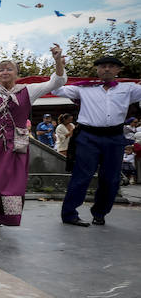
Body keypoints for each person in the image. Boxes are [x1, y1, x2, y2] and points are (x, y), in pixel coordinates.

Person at [0, 47, 67, 231]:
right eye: (1, 69)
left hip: (15, 144)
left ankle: (6, 215)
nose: (4, 72)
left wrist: (58, 61)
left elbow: (57, 81)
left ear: (17, 73)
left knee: (12, 181)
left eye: (9, 68)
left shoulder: (28, 91)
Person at [52, 56, 141, 226]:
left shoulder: (128, 88)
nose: (106, 69)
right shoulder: (85, 89)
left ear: (118, 70)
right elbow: (57, 90)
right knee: (81, 176)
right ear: (97, 70)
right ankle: (69, 214)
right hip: (88, 137)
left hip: (114, 138)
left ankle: (100, 213)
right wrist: (59, 65)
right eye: (103, 66)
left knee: (111, 179)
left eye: (111, 66)